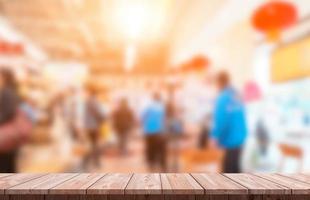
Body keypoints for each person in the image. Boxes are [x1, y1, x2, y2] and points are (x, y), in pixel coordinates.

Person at [210, 71, 247, 173]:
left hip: (230, 139)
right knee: (236, 168)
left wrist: (214, 137)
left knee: (228, 171)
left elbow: (221, 121)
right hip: (241, 137)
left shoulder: (222, 98)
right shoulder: (237, 94)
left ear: (219, 82)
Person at [0, 68, 20, 172]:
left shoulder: (7, 92)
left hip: (6, 135)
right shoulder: (10, 91)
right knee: (9, 165)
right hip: (10, 136)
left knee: (5, 165)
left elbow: (8, 113)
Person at [141, 92, 167, 172]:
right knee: (160, 148)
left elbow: (142, 116)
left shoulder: (148, 106)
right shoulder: (162, 107)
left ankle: (151, 163)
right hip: (159, 130)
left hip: (149, 130)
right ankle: (162, 164)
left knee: (150, 147)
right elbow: (164, 118)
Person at [83, 86, 105, 169]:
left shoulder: (88, 100)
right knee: (94, 144)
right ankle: (94, 162)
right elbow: (98, 112)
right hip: (93, 126)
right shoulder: (93, 100)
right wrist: (103, 119)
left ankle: (89, 161)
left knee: (91, 144)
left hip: (89, 125)